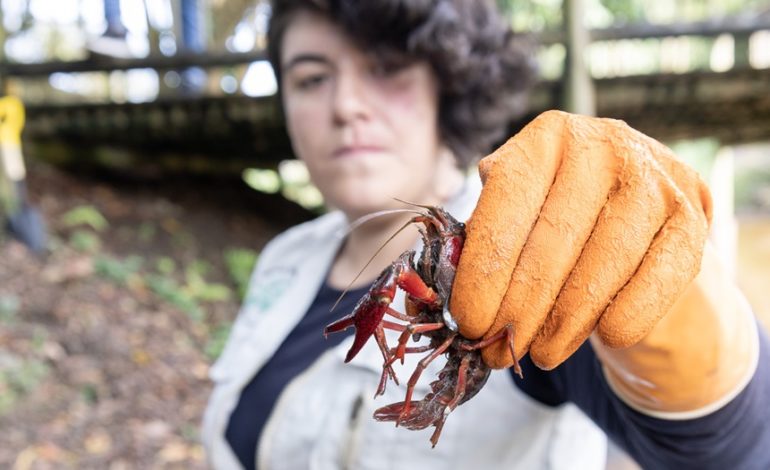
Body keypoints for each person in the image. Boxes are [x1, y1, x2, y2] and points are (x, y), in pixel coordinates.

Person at [202, 1, 770, 469]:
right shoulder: (285, 256)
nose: (346, 106)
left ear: (445, 84)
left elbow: (725, 446)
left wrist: (679, 314)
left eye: (385, 67)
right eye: (311, 78)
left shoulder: (535, 250)